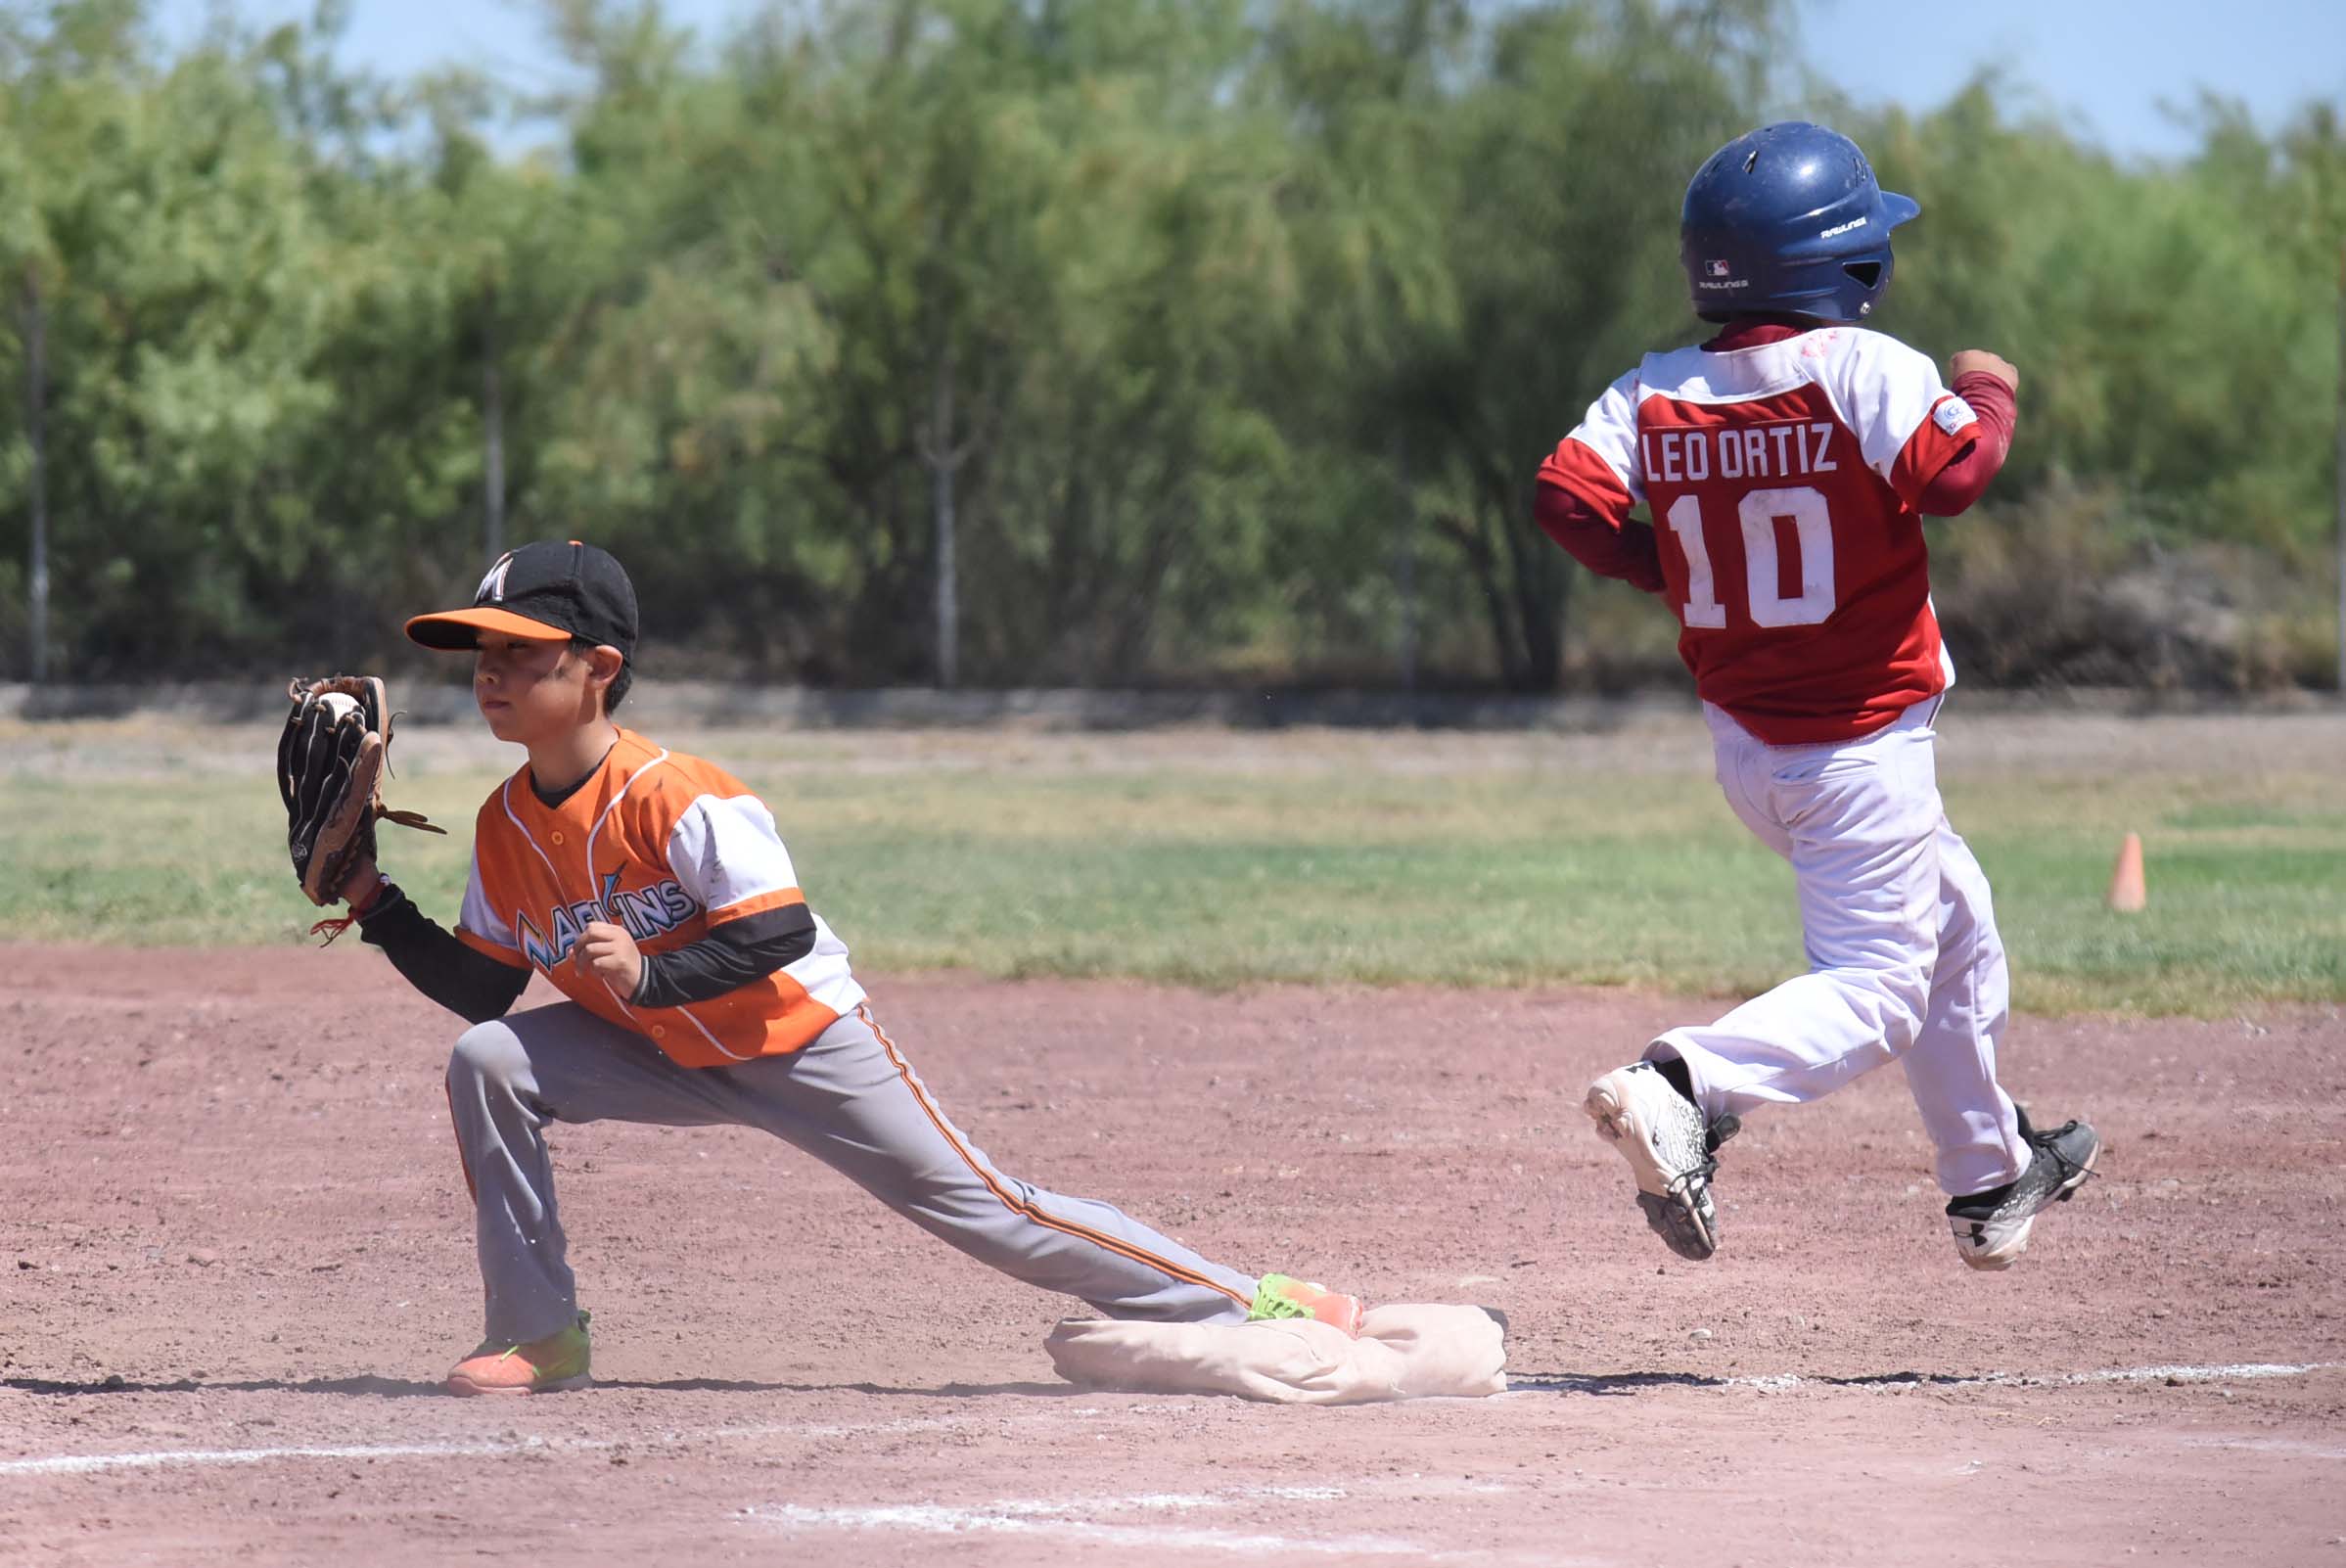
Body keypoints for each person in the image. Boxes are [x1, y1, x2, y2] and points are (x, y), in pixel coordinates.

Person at [331, 537, 1357, 1394]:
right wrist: (371, 898)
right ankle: (538, 1334)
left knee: (999, 1214)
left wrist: (650, 977)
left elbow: (775, 932)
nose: (488, 673)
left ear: (598, 666)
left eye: (518, 650)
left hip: (800, 1043)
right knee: (491, 1061)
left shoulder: (677, 793)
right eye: (480, 652)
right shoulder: (506, 824)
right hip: (653, 1050)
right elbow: (485, 988)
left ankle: (1256, 1301)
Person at [1533, 122, 2098, 1270]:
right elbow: (1957, 477)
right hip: (1858, 747)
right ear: (1841, 264)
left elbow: (1565, 497)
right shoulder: (1861, 364)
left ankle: (1992, 1173)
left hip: (1750, 746)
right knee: (1882, 990)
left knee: (1956, 918)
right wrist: (1988, 391)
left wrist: (1667, 569)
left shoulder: (1657, 387)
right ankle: (1685, 1081)